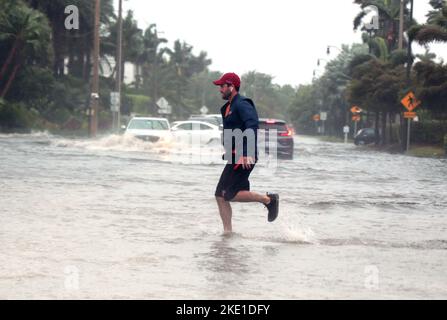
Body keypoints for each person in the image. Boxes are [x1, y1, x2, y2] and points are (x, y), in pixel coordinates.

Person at [213, 72, 279, 234]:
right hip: (235, 156)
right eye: (219, 86)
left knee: (229, 194)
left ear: (232, 86)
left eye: (222, 86)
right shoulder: (228, 107)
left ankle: (269, 200)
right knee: (220, 195)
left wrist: (246, 151)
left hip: (244, 155)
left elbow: (252, 125)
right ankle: (227, 233)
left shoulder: (242, 103)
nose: (220, 89)